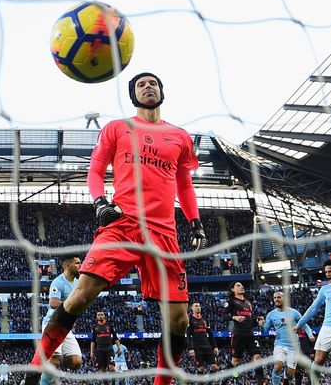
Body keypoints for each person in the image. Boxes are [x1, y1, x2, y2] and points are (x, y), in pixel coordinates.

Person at [27, 72, 207, 385]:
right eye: (141, 84)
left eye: (153, 83)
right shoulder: (117, 128)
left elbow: (184, 184)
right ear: (132, 95)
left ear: (162, 91)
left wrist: (196, 222)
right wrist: (99, 202)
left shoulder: (179, 136)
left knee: (178, 321)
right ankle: (32, 374)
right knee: (80, 295)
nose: (148, 87)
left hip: (164, 234)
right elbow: (95, 170)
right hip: (122, 224)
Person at [40, 255, 83, 385]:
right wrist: (69, 307)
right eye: (77, 263)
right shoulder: (58, 282)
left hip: (66, 326)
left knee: (76, 362)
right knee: (55, 360)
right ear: (68, 265)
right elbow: (53, 303)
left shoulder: (77, 283)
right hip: (52, 324)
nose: (80, 265)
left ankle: (50, 369)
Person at [259, 291, 314, 385]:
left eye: (279, 297)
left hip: (293, 347)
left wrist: (310, 335)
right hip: (279, 344)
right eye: (275, 298)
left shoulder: (293, 312)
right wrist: (261, 326)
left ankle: (287, 374)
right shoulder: (271, 315)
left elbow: (304, 325)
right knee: (277, 367)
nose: (276, 299)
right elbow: (265, 331)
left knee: (290, 375)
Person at [225, 282, 265, 383]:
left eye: (242, 285)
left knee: (258, 357)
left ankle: (261, 382)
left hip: (250, 334)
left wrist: (258, 321)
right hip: (238, 334)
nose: (242, 286)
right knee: (236, 362)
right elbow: (223, 316)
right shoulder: (231, 301)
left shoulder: (248, 303)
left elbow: (251, 319)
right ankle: (223, 381)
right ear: (232, 290)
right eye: (238, 285)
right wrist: (234, 317)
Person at [186, 302, 219, 375]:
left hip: (207, 346)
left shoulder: (205, 320)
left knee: (215, 367)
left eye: (199, 306)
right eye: (196, 306)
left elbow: (210, 334)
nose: (198, 307)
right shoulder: (190, 320)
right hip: (197, 347)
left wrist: (215, 346)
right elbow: (188, 335)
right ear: (192, 308)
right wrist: (190, 348)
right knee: (201, 369)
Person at [91, 311, 119, 385]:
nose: (100, 316)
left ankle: (113, 383)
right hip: (99, 350)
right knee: (102, 370)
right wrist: (91, 352)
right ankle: (105, 383)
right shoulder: (94, 327)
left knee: (111, 367)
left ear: (104, 316)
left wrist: (119, 348)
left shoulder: (109, 325)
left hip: (109, 349)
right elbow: (93, 340)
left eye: (101, 314)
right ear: (96, 317)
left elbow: (115, 338)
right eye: (98, 315)